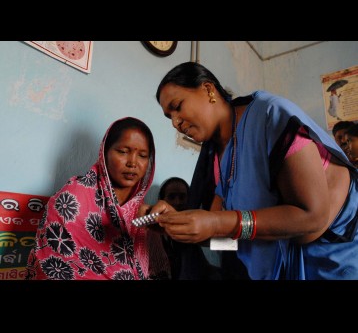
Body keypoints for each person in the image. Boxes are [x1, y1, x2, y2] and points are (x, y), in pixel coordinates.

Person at [143, 61, 358, 280]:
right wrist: (179, 227)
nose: (176, 123)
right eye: (169, 117)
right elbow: (229, 239)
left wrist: (217, 223)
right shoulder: (217, 156)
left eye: (177, 106)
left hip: (337, 260)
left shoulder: (270, 115)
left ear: (208, 89)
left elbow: (313, 216)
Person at [25, 117, 170, 280]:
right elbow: (47, 264)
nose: (133, 163)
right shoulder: (71, 200)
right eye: (123, 152)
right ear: (104, 153)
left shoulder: (144, 214)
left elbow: (157, 270)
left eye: (143, 155)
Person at [158, 177, 221, 279]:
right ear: (161, 200)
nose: (177, 202)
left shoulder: (198, 228)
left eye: (182, 197)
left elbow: (226, 243)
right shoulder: (154, 235)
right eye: (171, 197)